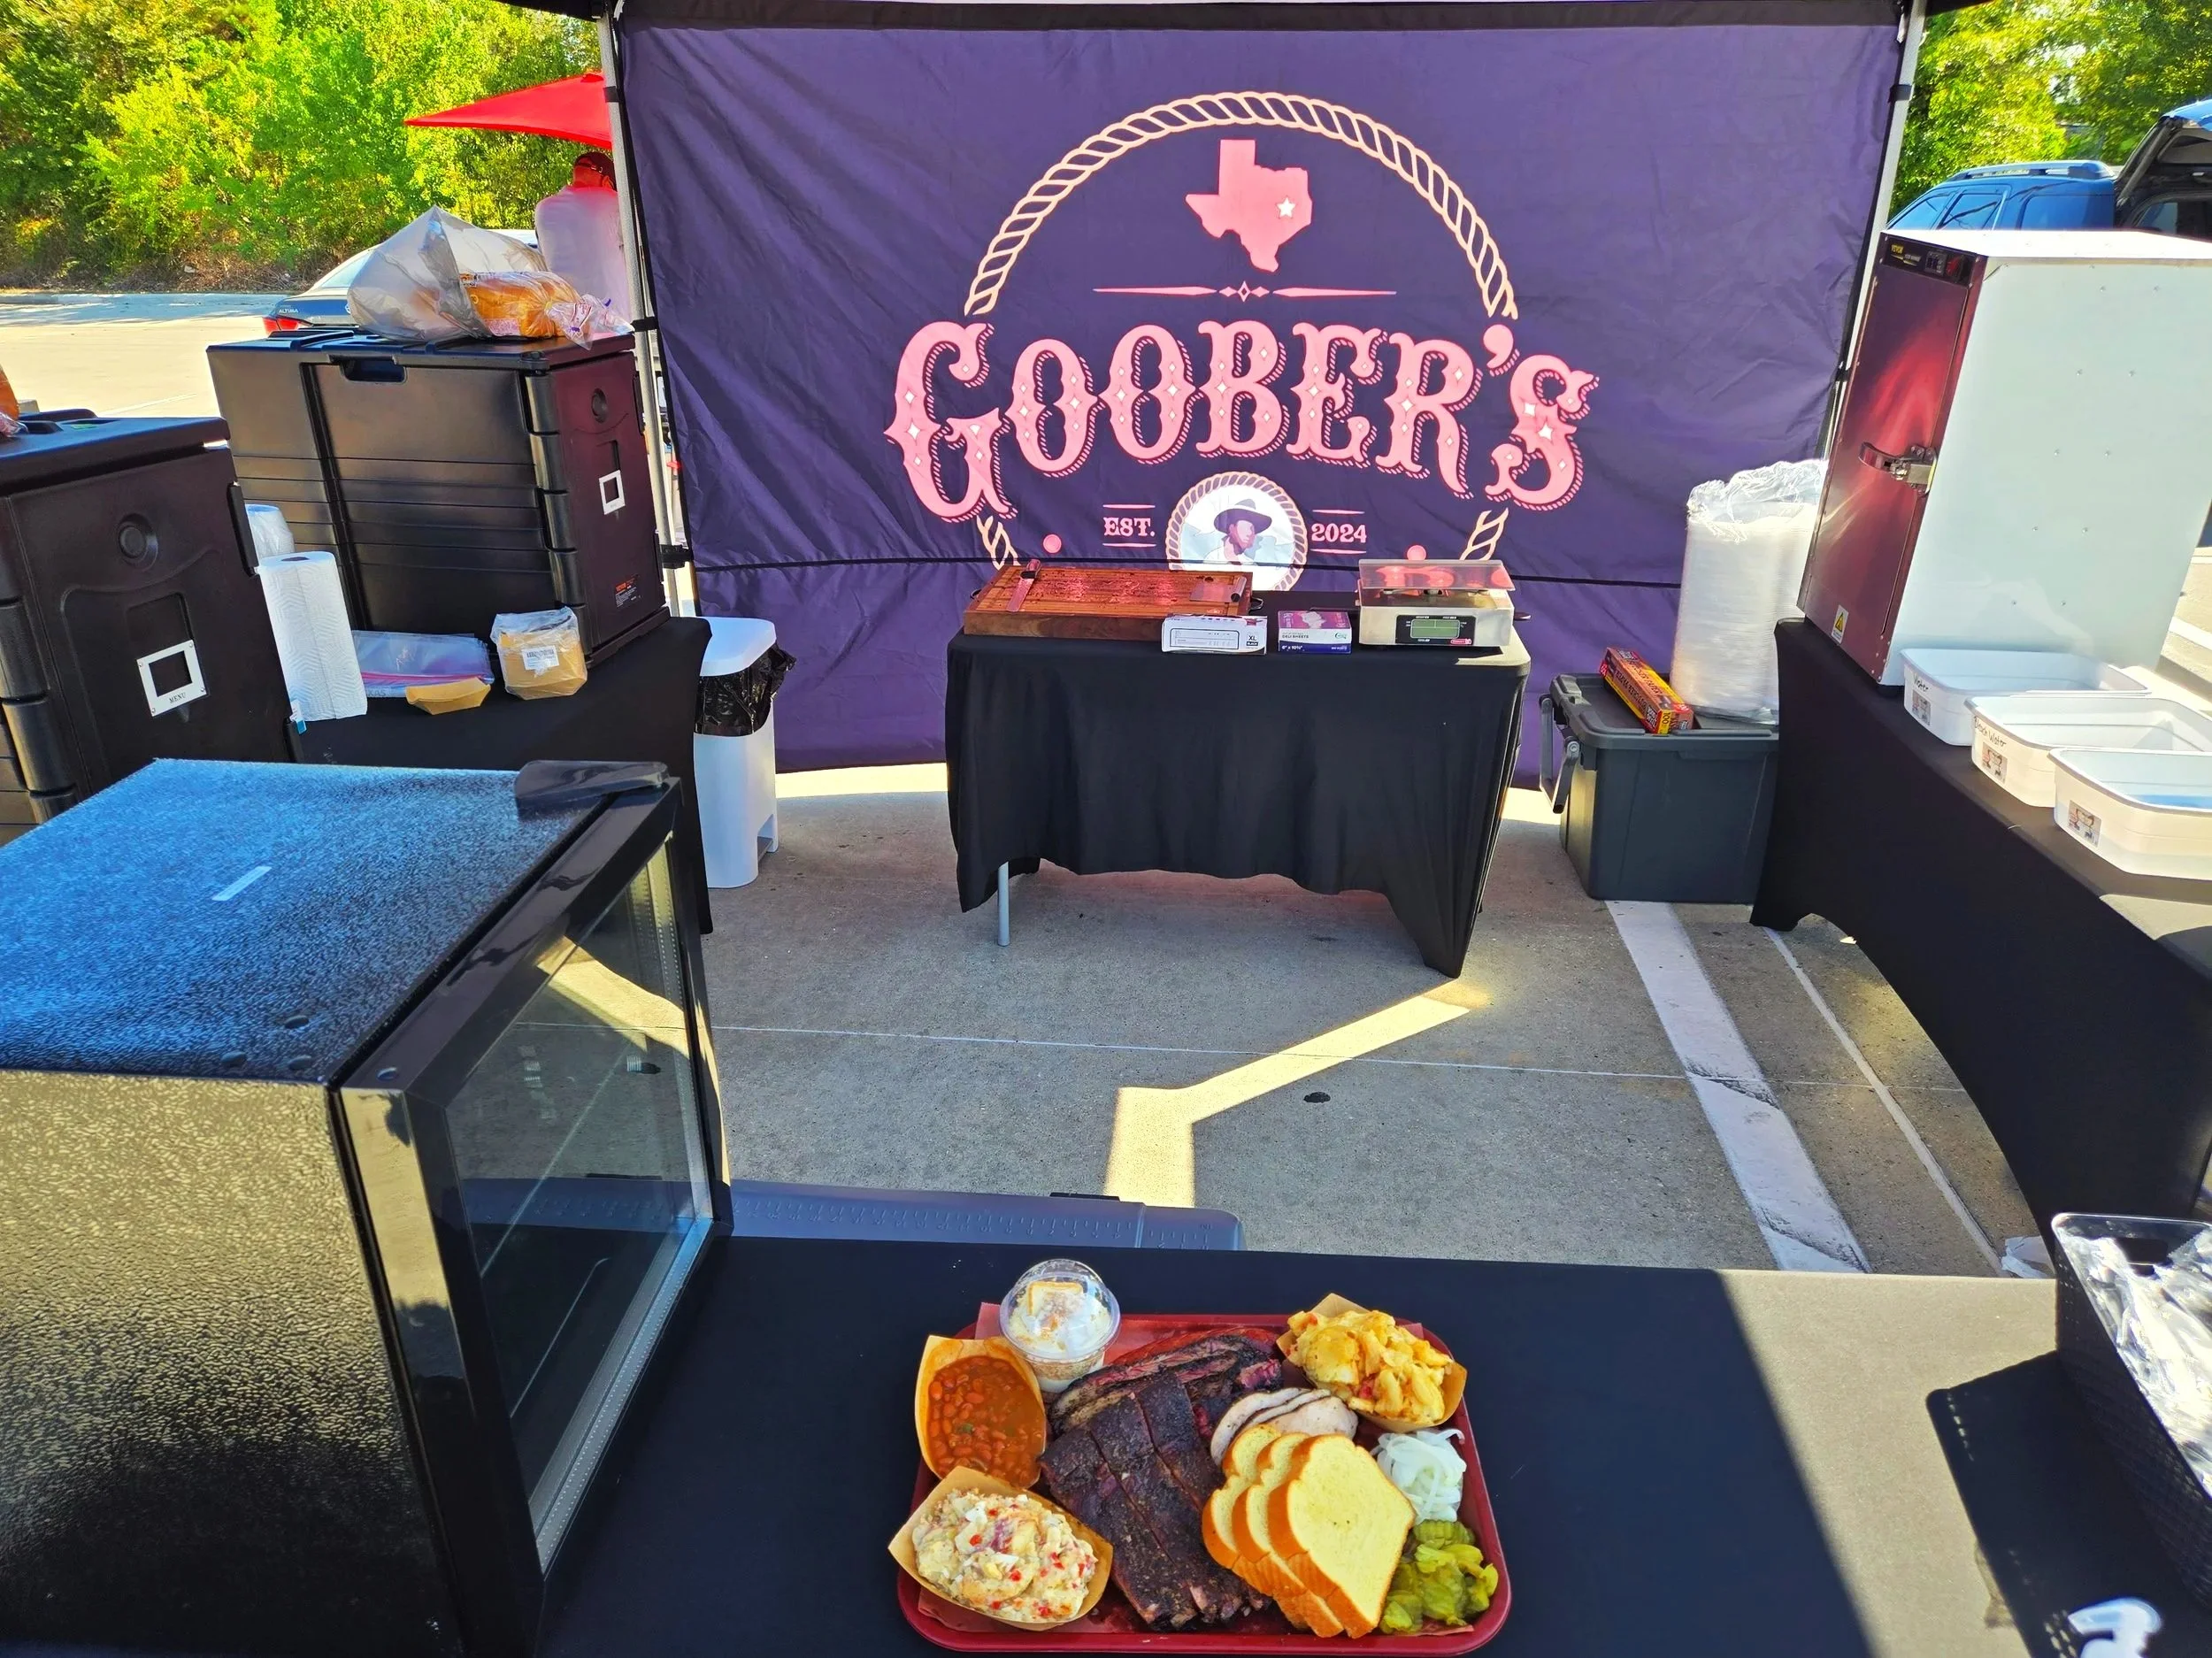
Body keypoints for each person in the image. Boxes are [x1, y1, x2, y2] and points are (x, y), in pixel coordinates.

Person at [534, 151, 634, 321]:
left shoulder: (542, 210)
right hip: (614, 319)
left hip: (567, 321)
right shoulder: (613, 202)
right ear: (607, 181)